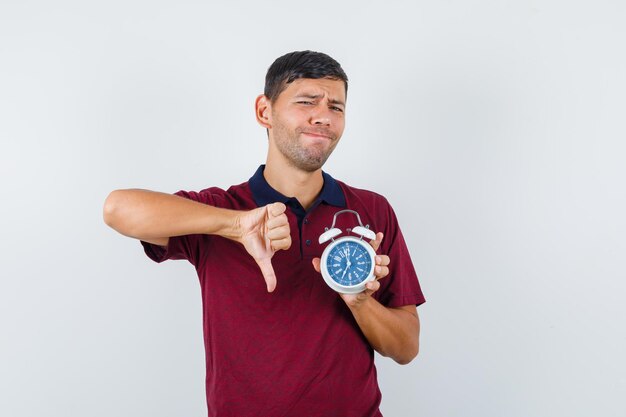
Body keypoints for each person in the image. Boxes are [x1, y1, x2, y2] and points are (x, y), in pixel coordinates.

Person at [103, 50, 425, 417]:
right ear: (264, 111)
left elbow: (406, 348)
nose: (323, 116)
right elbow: (117, 209)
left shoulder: (371, 211)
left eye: (336, 107)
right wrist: (234, 225)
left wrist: (360, 301)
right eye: (307, 101)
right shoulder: (218, 209)